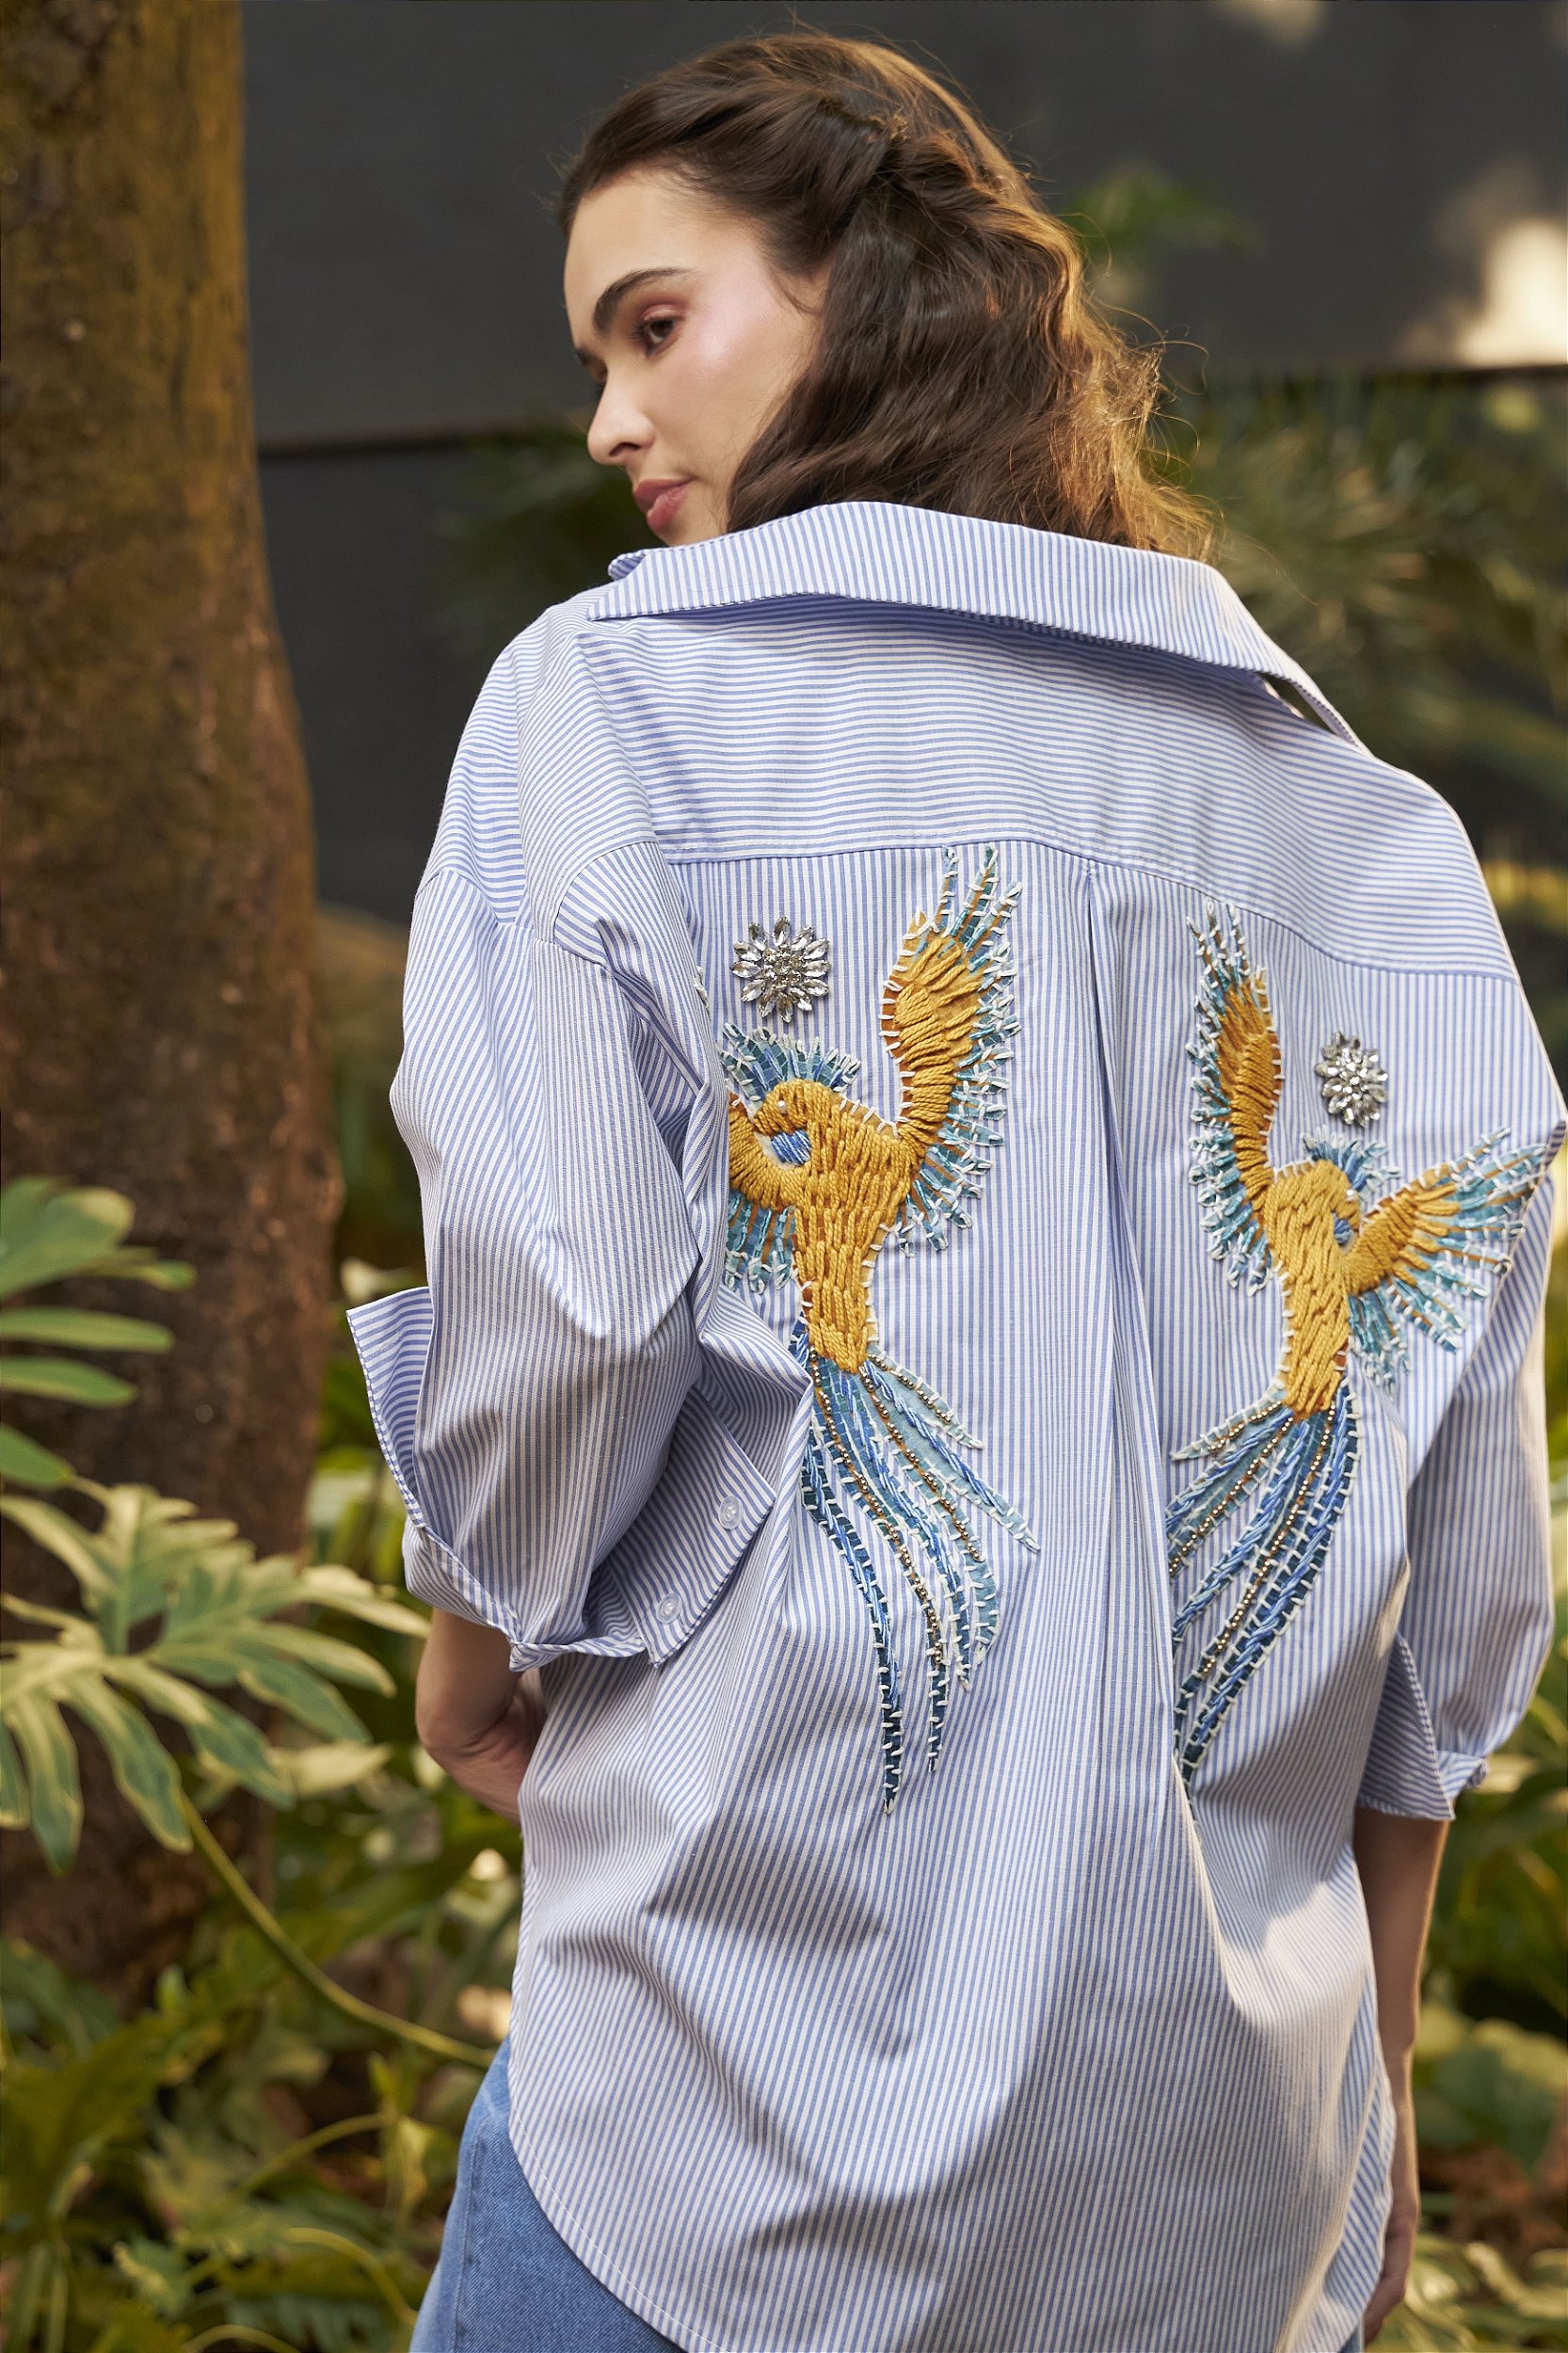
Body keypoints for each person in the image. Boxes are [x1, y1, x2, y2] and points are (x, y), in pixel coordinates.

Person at [347, 32, 1564, 2353]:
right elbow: (1451, 1598)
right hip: (1213, 2200)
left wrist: (471, 1644)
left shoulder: (612, 707)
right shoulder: (1375, 843)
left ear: (867, 288)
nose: (608, 419)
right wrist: (1373, 2095)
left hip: (710, 2146)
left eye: (652, 322)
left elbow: (567, 1316)